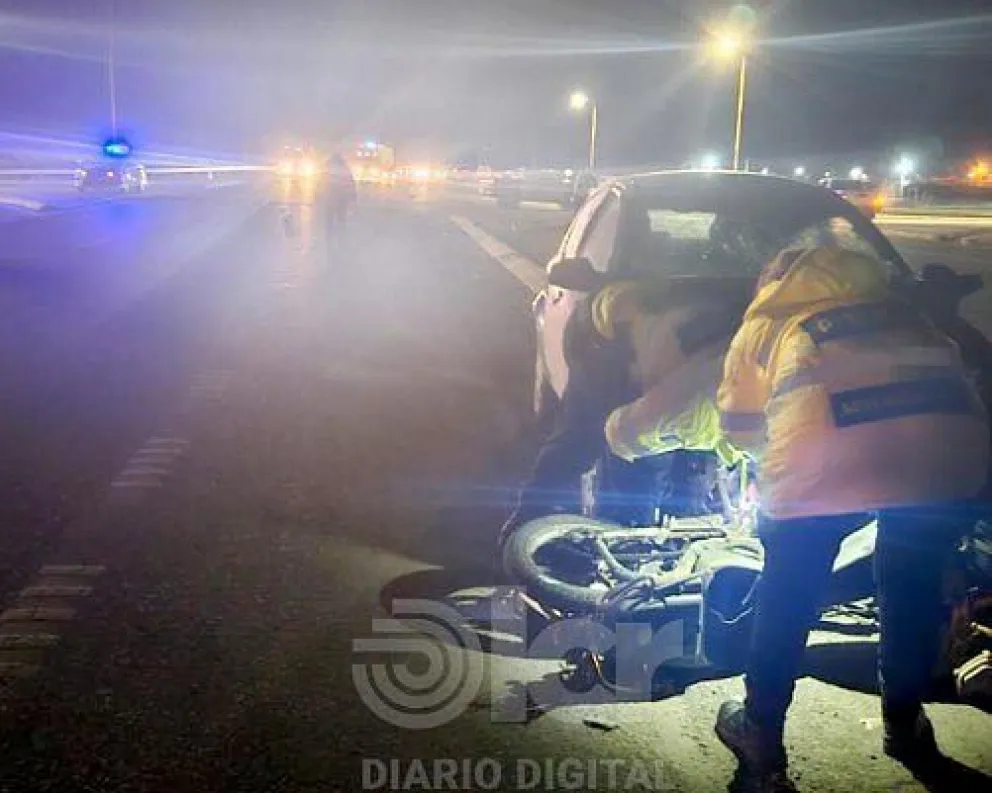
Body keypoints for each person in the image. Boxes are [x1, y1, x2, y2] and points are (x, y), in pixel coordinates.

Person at [713, 246, 989, 788]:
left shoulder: (769, 318)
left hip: (827, 458)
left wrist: (771, 471)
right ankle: (904, 724)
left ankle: (760, 729)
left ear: (776, 279)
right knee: (911, 586)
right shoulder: (905, 311)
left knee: (789, 585)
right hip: (950, 454)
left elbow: (739, 428)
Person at [499, 274, 752, 545]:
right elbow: (624, 435)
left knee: (690, 485)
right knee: (593, 448)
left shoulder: (779, 366)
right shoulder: (698, 403)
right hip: (604, 333)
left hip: (675, 355)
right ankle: (527, 530)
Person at [322, 153, 357, 241]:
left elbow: (322, 184)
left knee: (330, 218)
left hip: (332, 198)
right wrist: (353, 198)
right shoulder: (346, 170)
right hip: (342, 198)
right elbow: (351, 185)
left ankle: (330, 235)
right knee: (341, 218)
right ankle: (341, 237)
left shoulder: (329, 170)